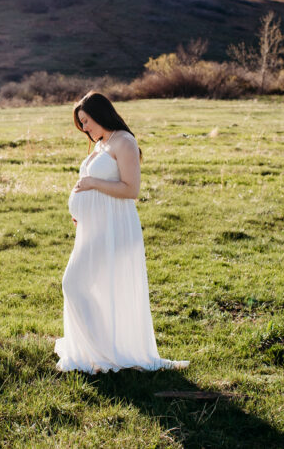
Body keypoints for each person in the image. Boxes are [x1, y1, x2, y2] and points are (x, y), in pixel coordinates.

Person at [55, 91, 189, 373]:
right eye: (81, 123)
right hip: (95, 228)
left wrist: (91, 184)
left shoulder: (124, 142)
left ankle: (106, 353)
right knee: (86, 287)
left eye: (86, 121)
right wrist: (82, 211)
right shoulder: (102, 145)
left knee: (74, 284)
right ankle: (101, 349)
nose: (84, 128)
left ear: (101, 114)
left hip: (115, 229)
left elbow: (131, 189)